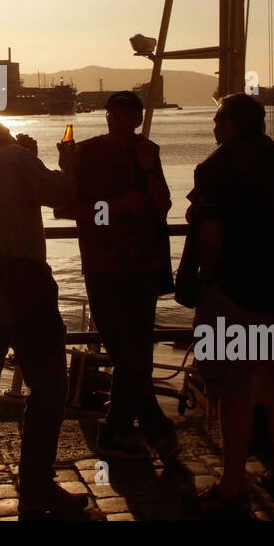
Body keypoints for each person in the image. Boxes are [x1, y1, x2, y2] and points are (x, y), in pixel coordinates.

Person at [183, 93, 274, 518]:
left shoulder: (216, 168)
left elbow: (210, 235)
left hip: (233, 292)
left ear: (232, 125)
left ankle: (232, 486)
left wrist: (208, 280)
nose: (214, 126)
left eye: (218, 118)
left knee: (233, 390)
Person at [0, 120, 89, 519]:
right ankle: (35, 485)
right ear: (6, 141)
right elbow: (62, 193)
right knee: (48, 388)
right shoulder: (16, 159)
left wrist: (28, 158)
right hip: (26, 293)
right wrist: (63, 162)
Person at [60, 90, 178, 463]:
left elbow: (162, 206)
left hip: (143, 266)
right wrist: (112, 209)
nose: (119, 123)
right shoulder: (84, 153)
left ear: (138, 120)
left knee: (136, 351)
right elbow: (68, 209)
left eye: (126, 117)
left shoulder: (149, 152)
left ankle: (117, 431)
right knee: (126, 350)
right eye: (113, 115)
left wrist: (146, 169)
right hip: (103, 264)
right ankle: (152, 427)